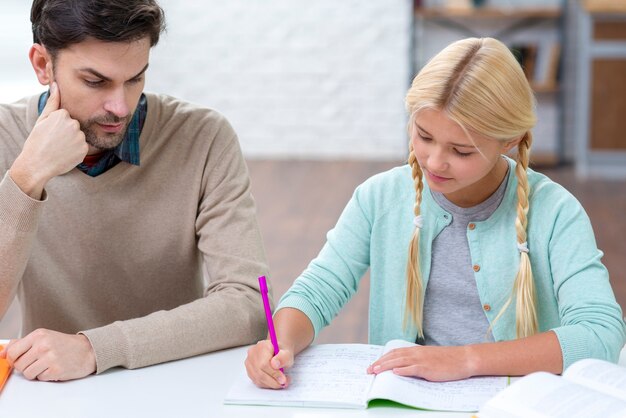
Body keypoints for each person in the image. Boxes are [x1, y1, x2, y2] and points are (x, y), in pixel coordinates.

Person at [245, 37, 626, 389]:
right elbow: (319, 289)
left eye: (461, 151)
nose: (435, 161)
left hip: (519, 399)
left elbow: (601, 333)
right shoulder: (379, 198)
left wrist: (465, 359)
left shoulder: (556, 213)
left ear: (509, 141)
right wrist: (281, 344)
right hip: (408, 399)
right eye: (424, 136)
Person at [0, 0, 269, 382]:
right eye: (95, 82)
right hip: (53, 389)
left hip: (175, 378)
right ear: (43, 65)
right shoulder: (4, 137)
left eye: (135, 78)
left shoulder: (204, 137)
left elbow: (250, 303)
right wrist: (26, 178)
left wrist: (95, 349)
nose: (120, 107)